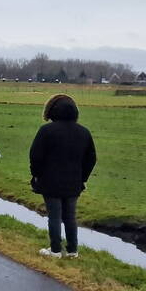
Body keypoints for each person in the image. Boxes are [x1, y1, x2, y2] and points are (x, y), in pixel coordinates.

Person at [29, 94, 97, 259]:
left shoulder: (46, 131)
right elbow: (91, 158)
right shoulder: (84, 132)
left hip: (50, 181)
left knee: (54, 215)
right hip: (74, 182)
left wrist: (36, 175)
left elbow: (35, 155)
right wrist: (83, 178)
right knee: (70, 217)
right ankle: (73, 250)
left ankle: (55, 250)